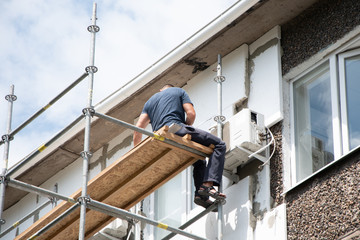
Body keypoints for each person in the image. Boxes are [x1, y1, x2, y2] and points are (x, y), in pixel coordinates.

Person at [133, 84, 226, 209]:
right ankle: (208, 185)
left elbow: (138, 128)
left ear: (160, 90)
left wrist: (137, 151)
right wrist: (186, 127)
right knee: (220, 144)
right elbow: (191, 113)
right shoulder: (178, 91)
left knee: (199, 159)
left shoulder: (150, 102)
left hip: (160, 139)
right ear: (171, 88)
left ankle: (201, 195)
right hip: (176, 129)